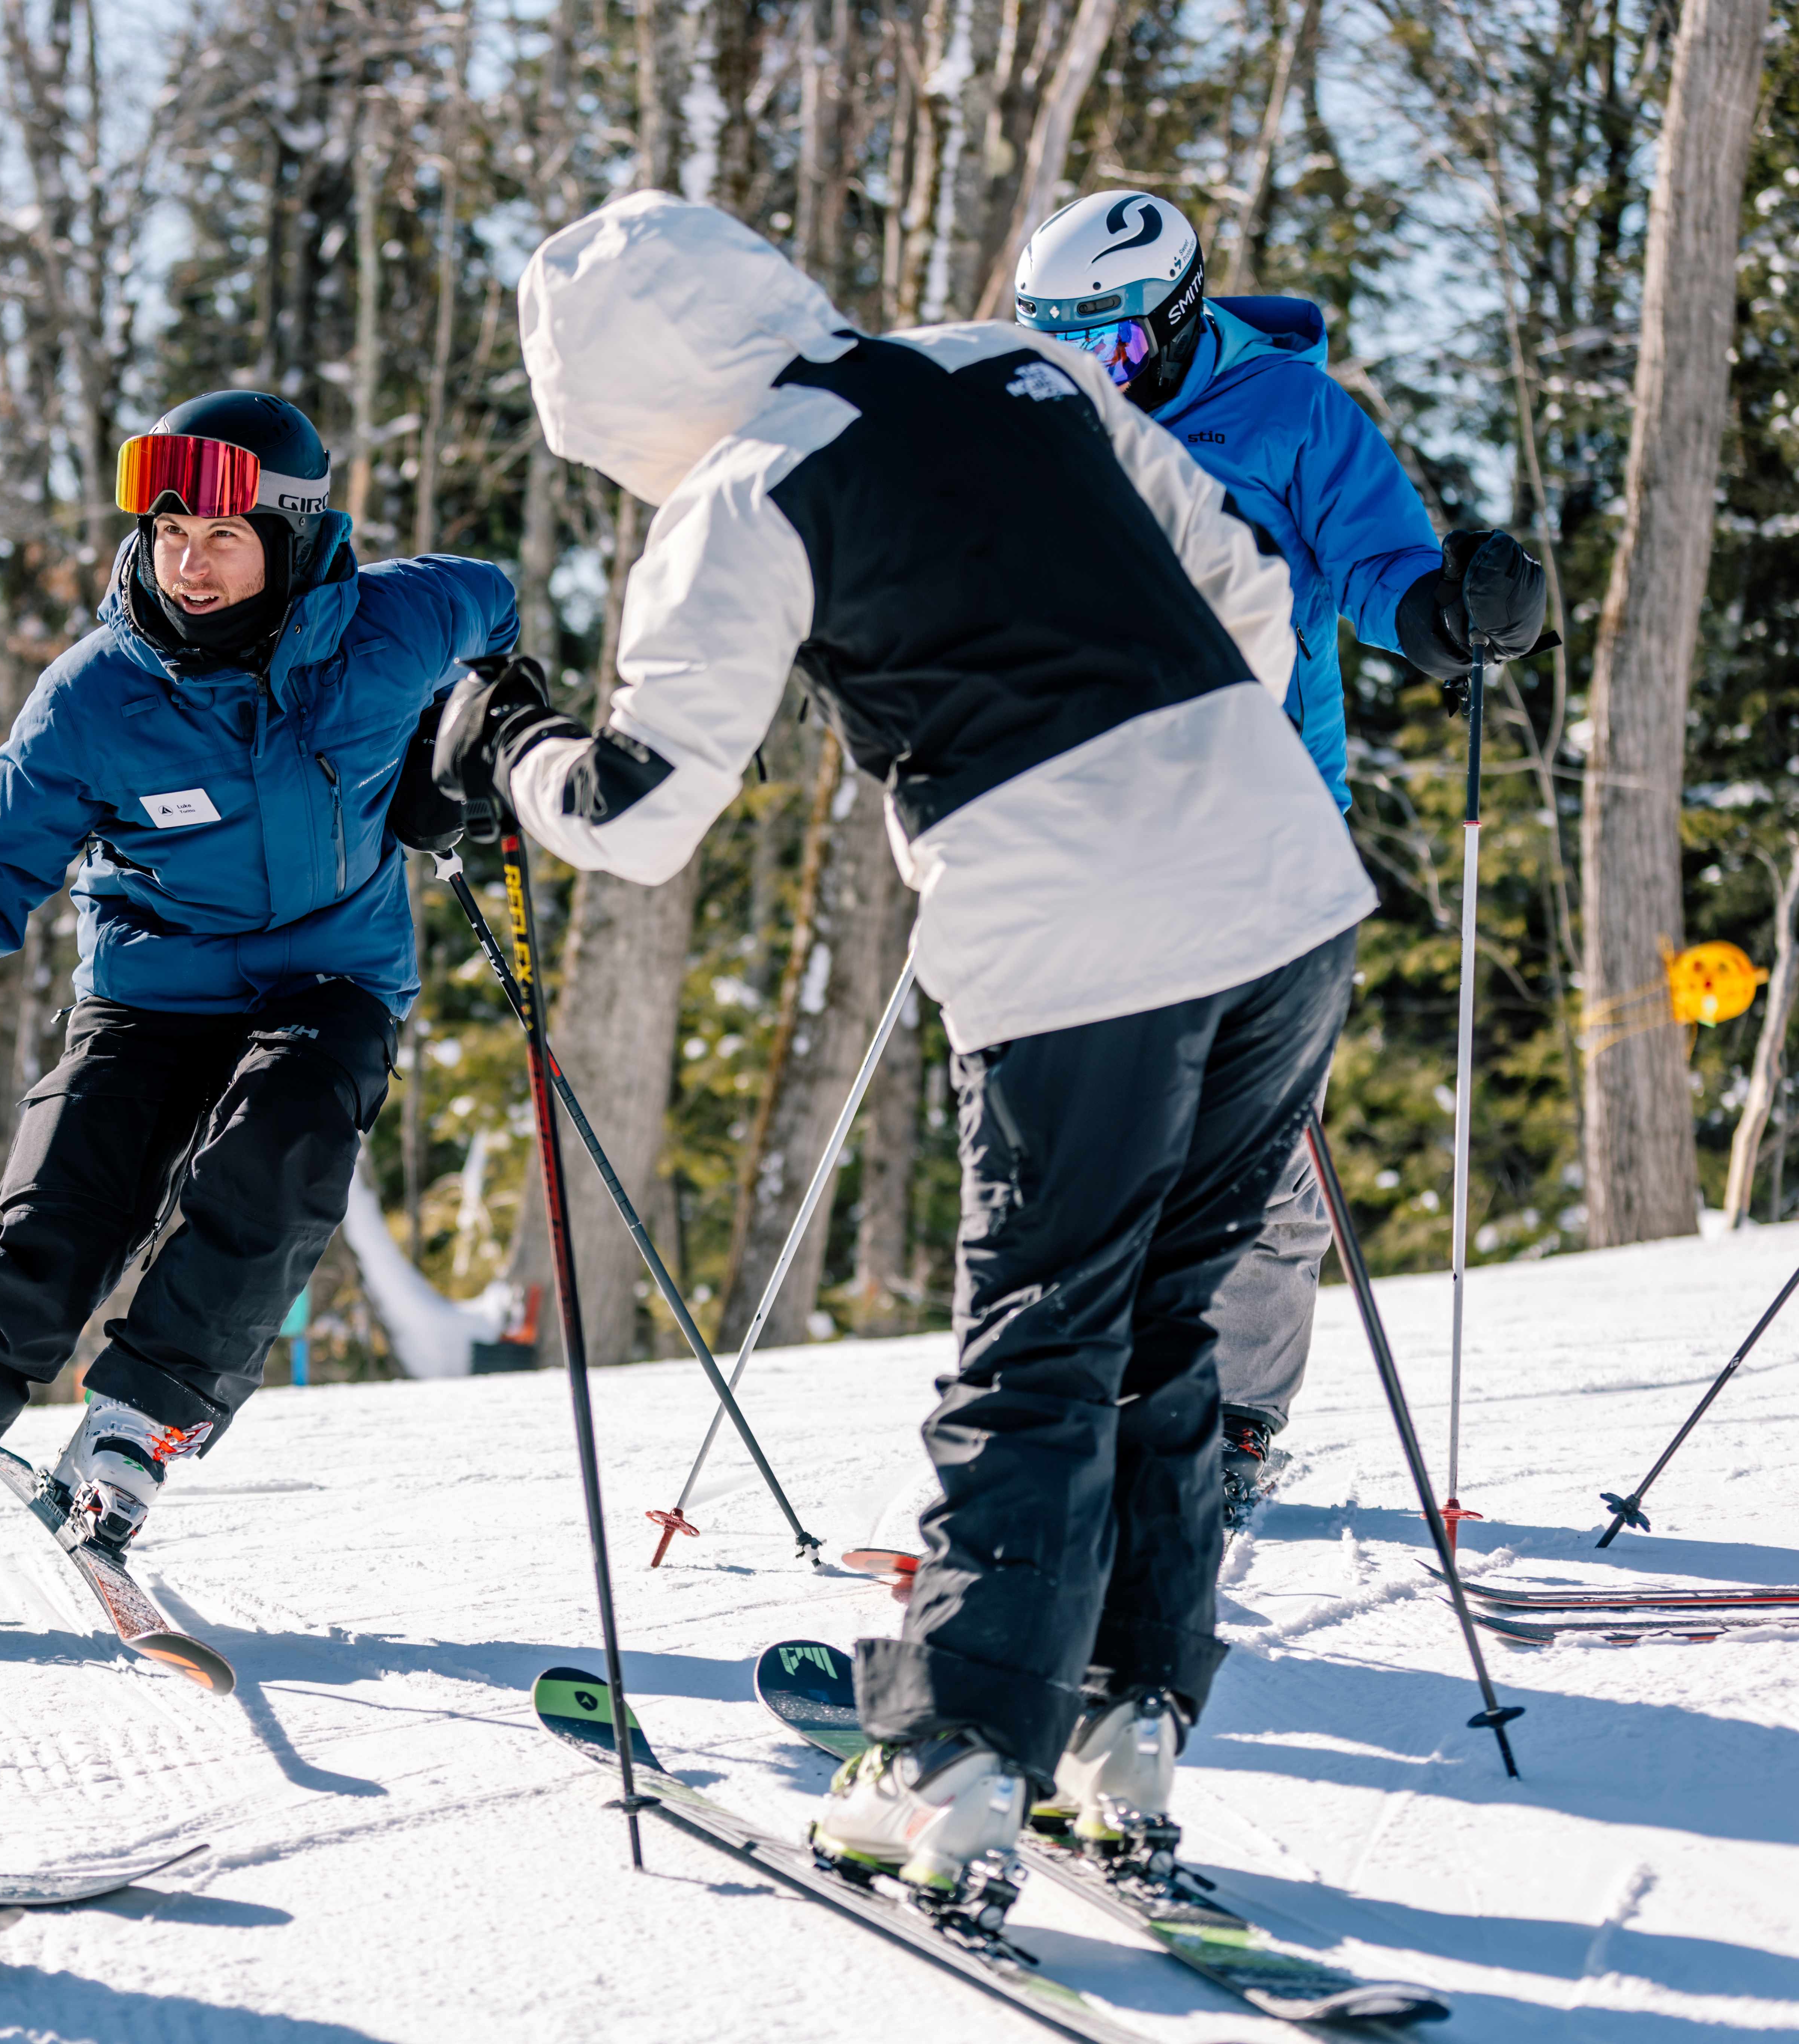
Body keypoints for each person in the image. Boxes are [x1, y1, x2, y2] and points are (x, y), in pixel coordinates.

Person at [439, 189, 1364, 1899]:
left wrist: (509, 748)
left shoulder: (743, 491)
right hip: (1289, 891)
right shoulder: (1012, 365)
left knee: (1041, 1340)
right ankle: (1119, 1725)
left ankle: (939, 1764)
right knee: (1164, 1328)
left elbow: (637, 815)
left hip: (1077, 941)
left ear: (621, 405)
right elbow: (1246, 593)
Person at [0, 390, 516, 1635]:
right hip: (150, 997)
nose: (190, 566)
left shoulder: (398, 622)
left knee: (280, 1163)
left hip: (332, 980)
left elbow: (498, 605)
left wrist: (454, 735)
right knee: (47, 1245)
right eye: (168, 536)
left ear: (295, 537)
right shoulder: (96, 696)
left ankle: (133, 1432)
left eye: (221, 539)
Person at [1012, 191, 1551, 1515]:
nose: (1094, 378)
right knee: (1063, 1131)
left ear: (1181, 314)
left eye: (1116, 349)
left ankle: (1237, 1419)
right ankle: (1064, 1415)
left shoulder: (1294, 418)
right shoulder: (1038, 410)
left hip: (1263, 821)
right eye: (1058, 346)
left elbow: (1381, 565)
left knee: (1255, 1135)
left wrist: (1445, 616)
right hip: (1085, 814)